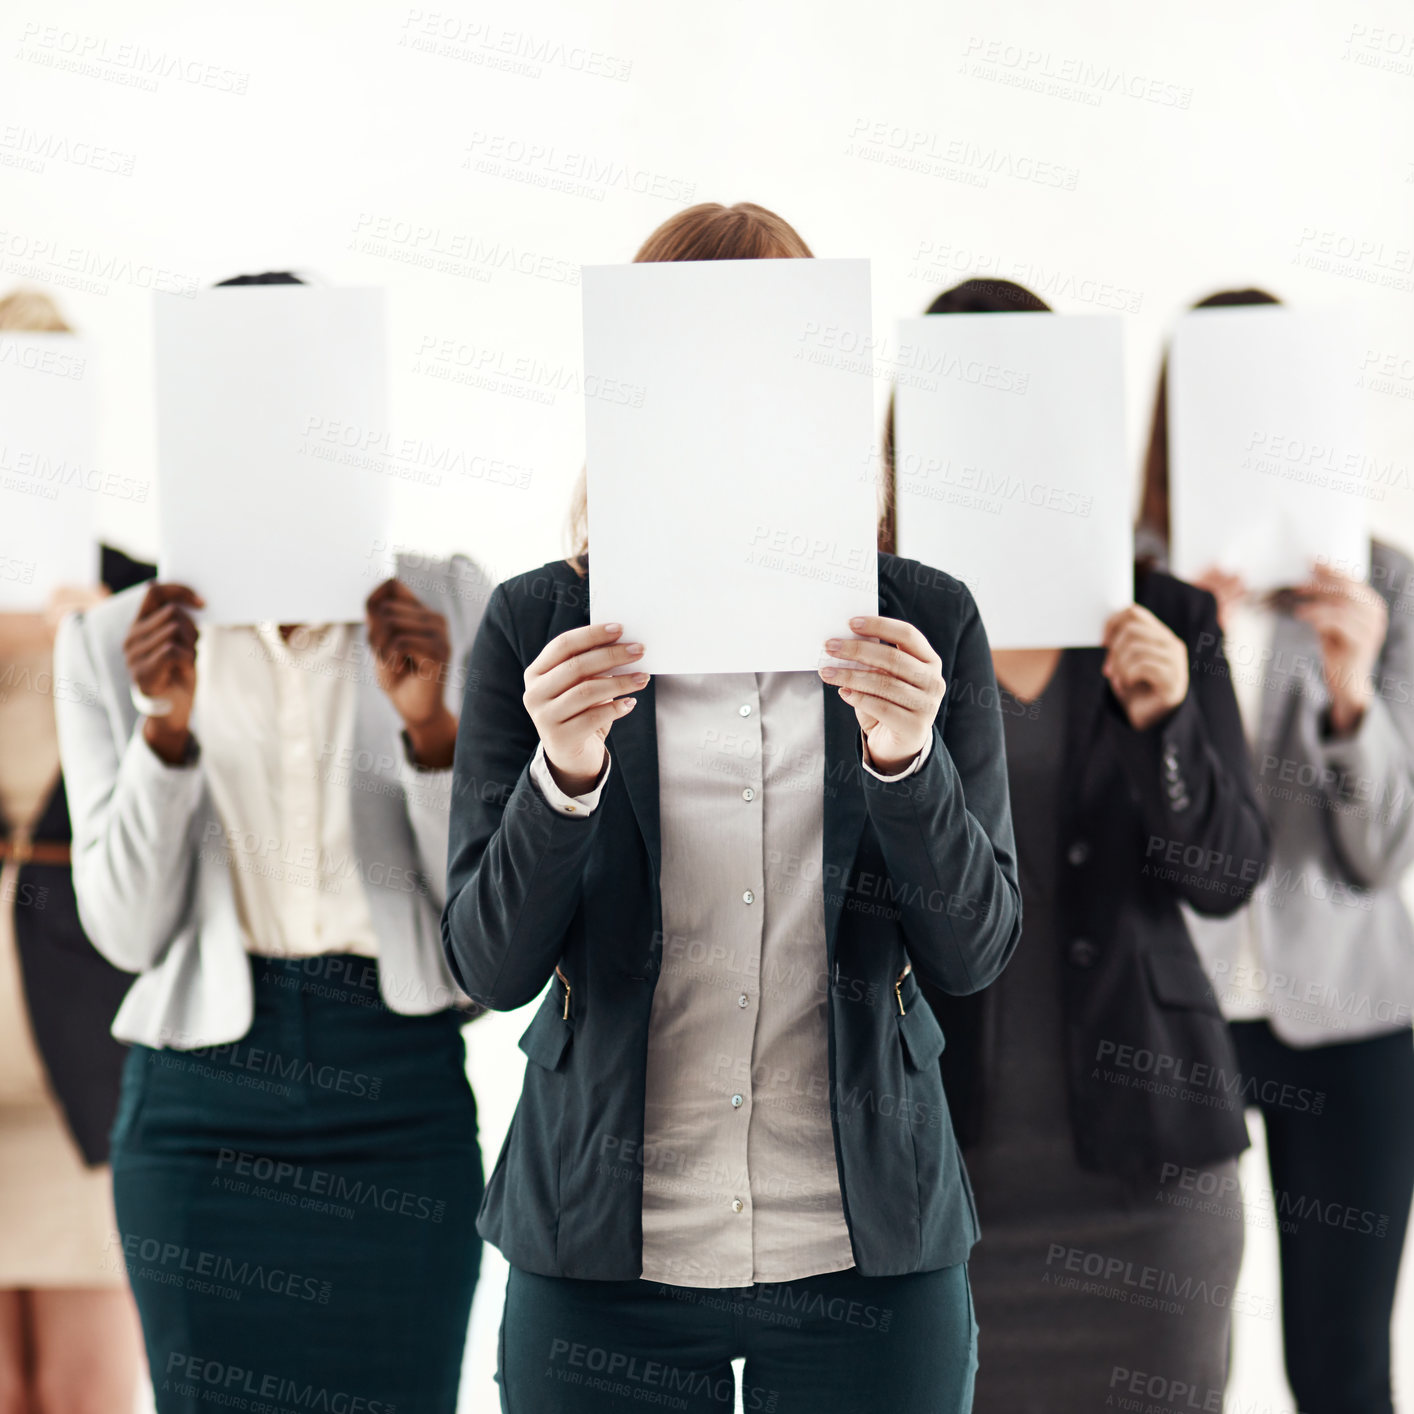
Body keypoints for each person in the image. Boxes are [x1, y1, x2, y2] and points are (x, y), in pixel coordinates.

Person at [442, 203, 1022, 1414]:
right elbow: (489, 965)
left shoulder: (927, 619)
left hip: (867, 1248)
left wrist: (906, 761)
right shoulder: (535, 624)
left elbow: (973, 953)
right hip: (603, 1250)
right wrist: (565, 776)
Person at [54, 272, 490, 1414]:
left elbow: (490, 930)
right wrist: (167, 733)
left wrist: (430, 729)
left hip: (398, 1085)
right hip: (201, 1103)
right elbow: (125, 928)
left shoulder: (445, 602)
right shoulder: (114, 641)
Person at [885, 277, 1269, 1411]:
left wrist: (1163, 724)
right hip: (940, 1175)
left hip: (1152, 1172)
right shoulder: (882, 627)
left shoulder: (1162, 613)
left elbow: (1225, 871)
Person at [1143, 287, 1414, 1414]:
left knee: (1340, 1359)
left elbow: (1380, 856)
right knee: (1161, 1350)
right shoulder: (1129, 590)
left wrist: (1353, 690)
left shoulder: (1382, 585)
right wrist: (1184, 656)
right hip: (1174, 1014)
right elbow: (1118, 830)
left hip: (1347, 1019)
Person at [0, 285, 151, 1414]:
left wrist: (87, 660)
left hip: (82, 1068)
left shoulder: (137, 602)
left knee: (84, 1393)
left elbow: (184, 818)